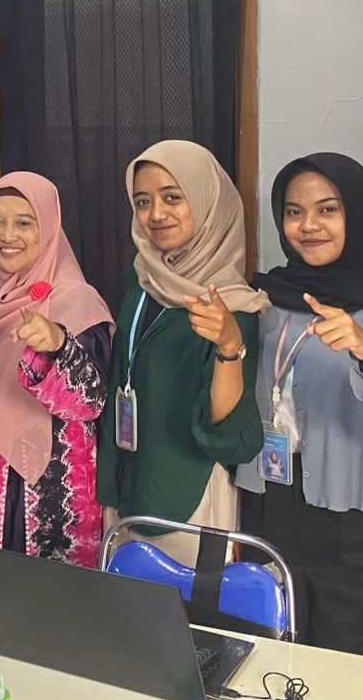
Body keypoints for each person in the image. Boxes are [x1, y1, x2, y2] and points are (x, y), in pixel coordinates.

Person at [234, 153, 363, 700]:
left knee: (352, 672)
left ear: (359, 215)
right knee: (273, 662)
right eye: (294, 211)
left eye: (328, 210)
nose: (309, 225)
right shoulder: (266, 300)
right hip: (269, 507)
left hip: (355, 529)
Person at [97, 140, 266, 564]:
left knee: (187, 608)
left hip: (190, 499)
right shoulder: (143, 280)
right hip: (128, 487)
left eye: (173, 197)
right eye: (142, 201)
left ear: (207, 201)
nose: (156, 214)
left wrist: (229, 346)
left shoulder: (233, 306)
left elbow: (230, 437)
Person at [0, 173, 113, 568]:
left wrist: (57, 344)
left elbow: (92, 402)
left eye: (24, 222)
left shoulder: (77, 301)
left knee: (53, 605)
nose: (7, 235)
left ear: (49, 228)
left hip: (53, 501)